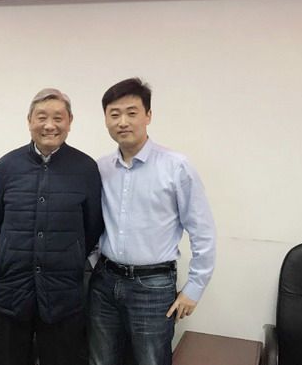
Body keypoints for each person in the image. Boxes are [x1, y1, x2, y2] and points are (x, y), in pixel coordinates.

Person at [88, 78, 216, 365]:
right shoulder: (100, 168)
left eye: (132, 113)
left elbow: (203, 231)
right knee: (100, 360)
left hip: (153, 287)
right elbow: (93, 221)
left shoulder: (176, 166)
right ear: (106, 119)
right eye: (114, 114)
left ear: (148, 115)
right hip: (104, 283)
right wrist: (96, 262)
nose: (123, 122)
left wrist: (194, 288)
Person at [0, 88, 104, 365]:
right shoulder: (7, 166)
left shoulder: (86, 168)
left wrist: (68, 254)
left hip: (62, 292)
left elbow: (92, 227)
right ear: (29, 121)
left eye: (58, 118)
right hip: (14, 288)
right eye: (41, 117)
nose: (49, 125)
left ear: (70, 122)